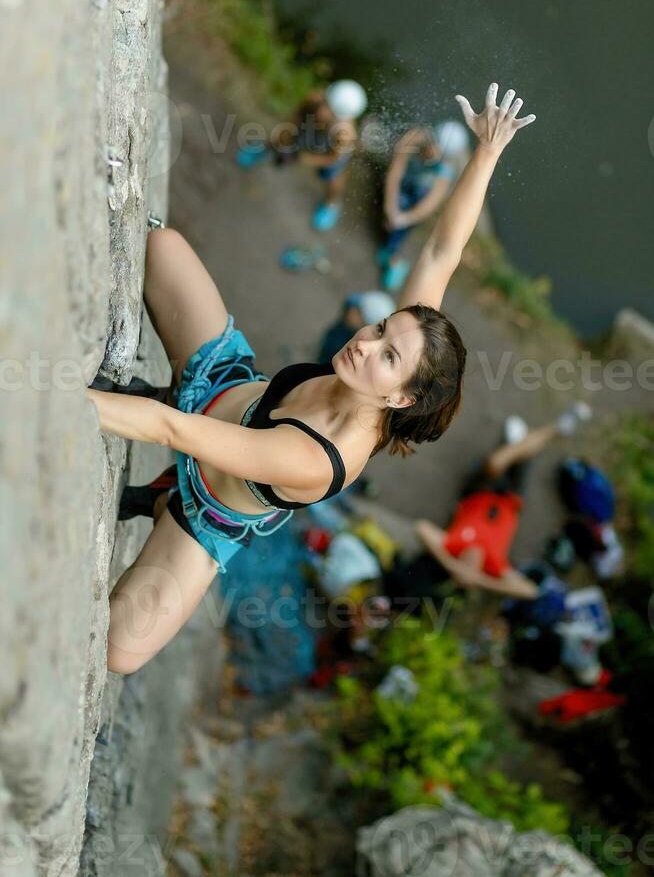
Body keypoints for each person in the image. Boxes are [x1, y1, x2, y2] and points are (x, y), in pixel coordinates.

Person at [87, 82, 536, 674]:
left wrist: (63, 401)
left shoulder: (321, 458)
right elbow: (441, 253)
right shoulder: (401, 355)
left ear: (400, 397)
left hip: (211, 504)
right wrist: (487, 152)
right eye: (379, 328)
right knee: (161, 245)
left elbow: (175, 431)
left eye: (387, 356)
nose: (366, 343)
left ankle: (163, 497)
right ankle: (155, 458)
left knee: (121, 651)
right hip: (226, 385)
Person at [411, 403, 592, 600]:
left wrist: (450, 565)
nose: (466, 567)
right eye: (468, 573)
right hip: (511, 499)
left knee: (494, 465)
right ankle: (551, 432)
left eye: (460, 569)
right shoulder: (495, 566)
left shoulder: (453, 545)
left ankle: (524, 441)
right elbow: (530, 591)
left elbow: (420, 527)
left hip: (479, 490)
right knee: (519, 460)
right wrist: (481, 580)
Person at [237, 79, 368, 231]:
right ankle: (261, 151)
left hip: (330, 147)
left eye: (331, 112)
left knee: (333, 177)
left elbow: (332, 159)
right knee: (280, 138)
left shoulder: (345, 135)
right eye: (326, 103)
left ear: (342, 117)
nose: (323, 111)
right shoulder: (314, 99)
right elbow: (295, 119)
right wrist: (286, 141)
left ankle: (331, 204)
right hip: (310, 129)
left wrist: (302, 158)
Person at [380, 124, 461, 291]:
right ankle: (390, 247)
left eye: (438, 153)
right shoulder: (414, 138)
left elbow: (430, 203)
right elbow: (394, 174)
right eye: (432, 146)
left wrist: (402, 220)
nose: (431, 153)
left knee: (411, 206)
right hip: (404, 181)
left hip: (419, 190)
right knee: (397, 204)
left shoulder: (446, 167)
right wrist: (390, 209)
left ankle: (392, 252)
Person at [317, 291, 395, 365]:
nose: (352, 313)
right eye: (356, 309)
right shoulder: (351, 306)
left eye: (359, 314)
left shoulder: (348, 343)